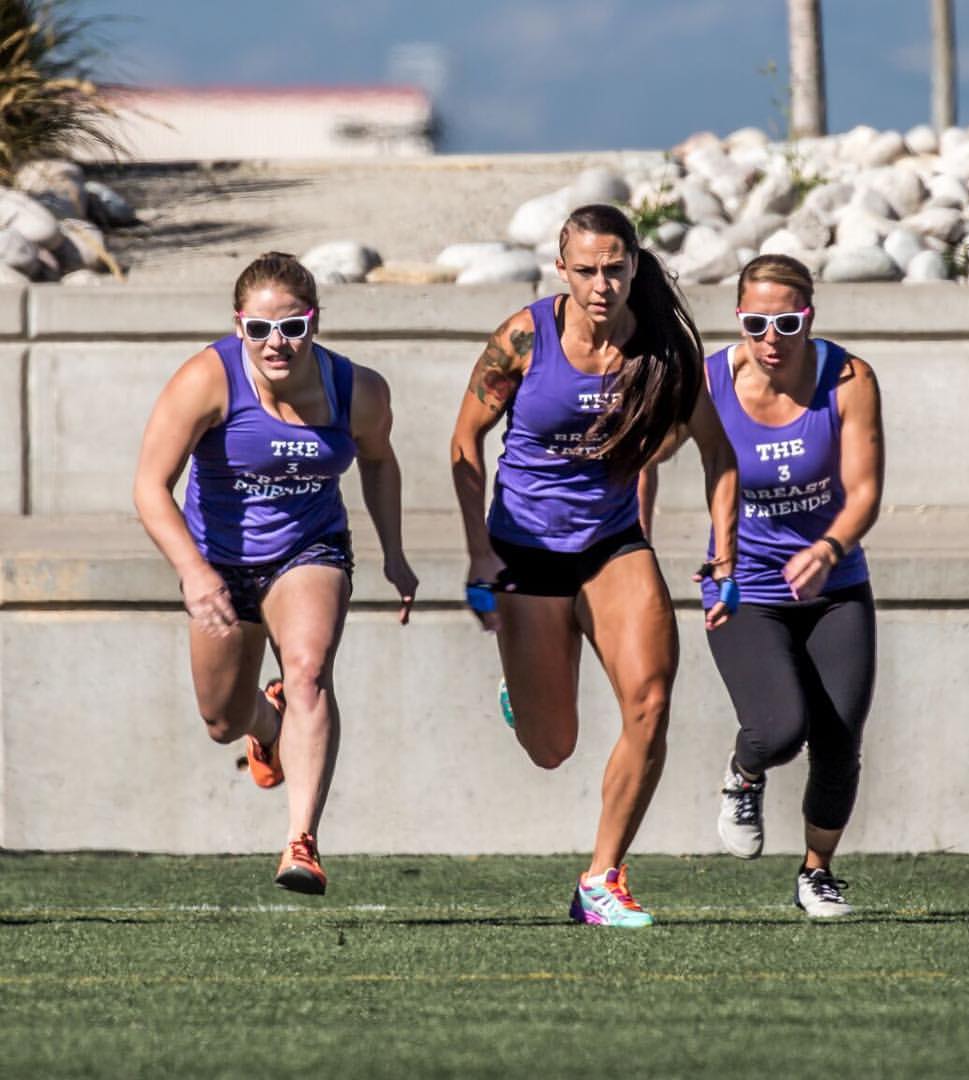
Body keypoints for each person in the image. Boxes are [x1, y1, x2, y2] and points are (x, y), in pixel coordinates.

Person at [450, 204, 739, 928]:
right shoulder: (524, 336)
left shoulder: (664, 349)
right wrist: (479, 552)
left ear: (635, 267)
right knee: (553, 748)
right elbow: (464, 441)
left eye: (615, 268)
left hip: (612, 543)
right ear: (562, 270)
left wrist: (722, 553)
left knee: (650, 701)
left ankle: (601, 879)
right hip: (525, 549)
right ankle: (524, 689)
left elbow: (718, 451)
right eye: (586, 271)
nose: (602, 285)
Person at [133, 251, 417, 896]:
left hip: (308, 550)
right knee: (220, 721)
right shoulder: (206, 380)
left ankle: (301, 842)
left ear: (314, 322)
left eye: (291, 327)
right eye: (259, 330)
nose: (275, 344)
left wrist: (393, 552)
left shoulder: (358, 389)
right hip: (219, 563)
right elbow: (151, 487)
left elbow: (378, 460)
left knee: (311, 669)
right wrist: (195, 572)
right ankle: (267, 723)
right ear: (239, 328)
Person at [697, 253, 884, 917]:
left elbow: (864, 491)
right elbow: (646, 460)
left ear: (809, 315)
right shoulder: (709, 381)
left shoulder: (849, 377)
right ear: (738, 321)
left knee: (839, 739)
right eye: (755, 322)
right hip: (743, 587)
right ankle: (744, 774)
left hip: (835, 585)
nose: (770, 337)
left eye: (785, 321)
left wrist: (830, 547)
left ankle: (817, 872)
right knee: (780, 730)